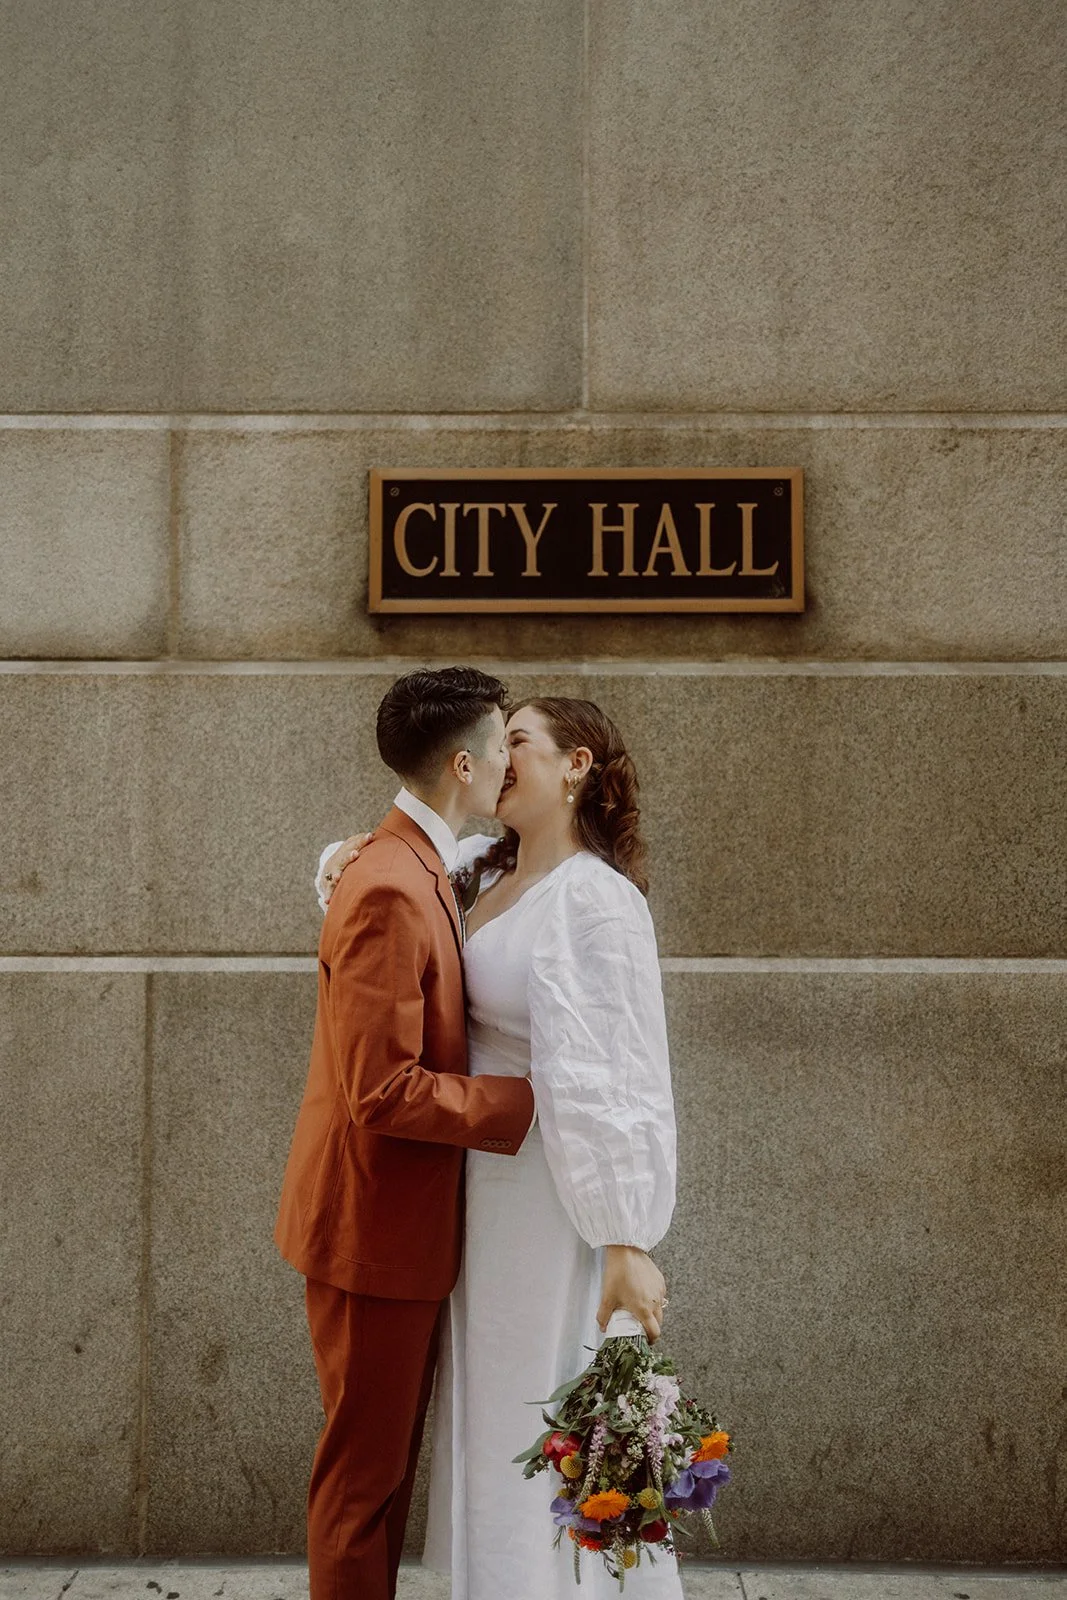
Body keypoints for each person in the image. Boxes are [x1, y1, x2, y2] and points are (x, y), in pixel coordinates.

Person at [317, 694, 681, 1599]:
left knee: (538, 1403)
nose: (500, 756)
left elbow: (620, 1077)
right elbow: (384, 885)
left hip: (547, 1198)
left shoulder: (596, 902)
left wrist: (625, 1238)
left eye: (518, 739)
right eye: (496, 740)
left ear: (576, 767)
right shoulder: (483, 871)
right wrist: (354, 857)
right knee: (489, 1415)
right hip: (476, 1192)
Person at [275, 667, 541, 1600]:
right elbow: (381, 1091)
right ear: (464, 765)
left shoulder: (413, 862)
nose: (511, 761)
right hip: (370, 1236)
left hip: (393, 1231)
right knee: (363, 1482)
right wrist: (530, 1102)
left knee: (379, 1477)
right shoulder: (390, 883)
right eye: (503, 744)